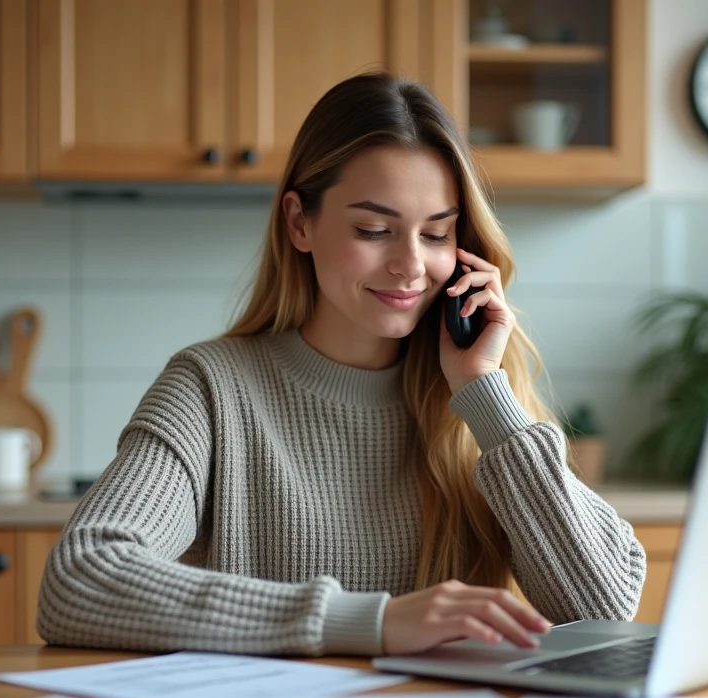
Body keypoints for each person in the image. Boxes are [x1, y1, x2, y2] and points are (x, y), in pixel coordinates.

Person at [37, 72, 646, 658]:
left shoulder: (476, 406)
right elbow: (80, 579)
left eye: (436, 235)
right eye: (375, 229)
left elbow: (604, 610)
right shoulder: (209, 388)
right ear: (301, 222)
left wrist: (486, 397)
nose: (411, 265)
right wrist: (367, 623)